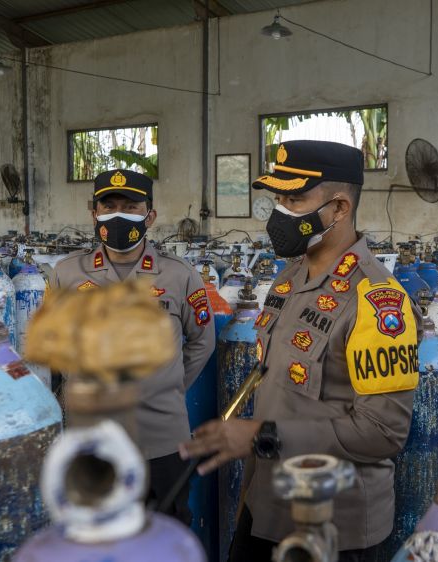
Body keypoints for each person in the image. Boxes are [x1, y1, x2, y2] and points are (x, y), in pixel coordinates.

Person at [180, 140, 420, 562]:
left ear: (339, 208)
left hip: (332, 530)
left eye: (294, 198)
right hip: (265, 508)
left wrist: (260, 436)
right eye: (278, 198)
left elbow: (383, 432)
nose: (279, 212)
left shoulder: (377, 300)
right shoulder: (288, 279)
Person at [51, 168, 214, 523]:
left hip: (162, 438)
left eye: (131, 206)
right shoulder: (66, 274)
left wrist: (167, 388)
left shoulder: (179, 275)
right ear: (93, 214)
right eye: (108, 206)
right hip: (93, 436)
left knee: (166, 531)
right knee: (96, 533)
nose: (119, 214)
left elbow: (202, 341)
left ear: (150, 216)